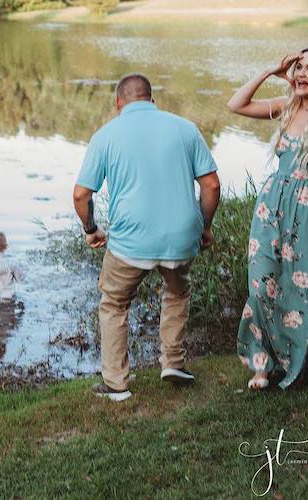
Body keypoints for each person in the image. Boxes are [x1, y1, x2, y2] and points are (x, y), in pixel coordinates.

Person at [74, 73, 221, 402]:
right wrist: (205, 226)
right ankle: (173, 362)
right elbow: (211, 185)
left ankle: (116, 383)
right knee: (177, 292)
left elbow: (81, 193)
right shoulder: (185, 128)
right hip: (180, 237)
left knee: (113, 304)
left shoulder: (106, 135)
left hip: (130, 241)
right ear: (152, 101)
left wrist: (91, 229)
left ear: (118, 104)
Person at [228, 47, 308, 390]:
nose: (299, 74)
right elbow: (236, 105)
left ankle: (296, 361)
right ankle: (261, 366)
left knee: (303, 286)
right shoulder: (286, 107)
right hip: (272, 205)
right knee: (261, 280)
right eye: (298, 67)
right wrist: (270, 71)